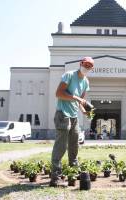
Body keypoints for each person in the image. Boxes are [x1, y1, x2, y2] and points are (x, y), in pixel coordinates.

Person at [50, 57, 94, 187]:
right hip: (63, 114)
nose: (87, 67)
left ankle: (73, 171)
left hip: (74, 116)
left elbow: (80, 101)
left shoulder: (85, 81)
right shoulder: (69, 75)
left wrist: (84, 111)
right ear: (80, 64)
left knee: (74, 145)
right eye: (85, 64)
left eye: (90, 66)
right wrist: (75, 97)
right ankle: (55, 177)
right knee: (61, 146)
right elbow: (58, 93)